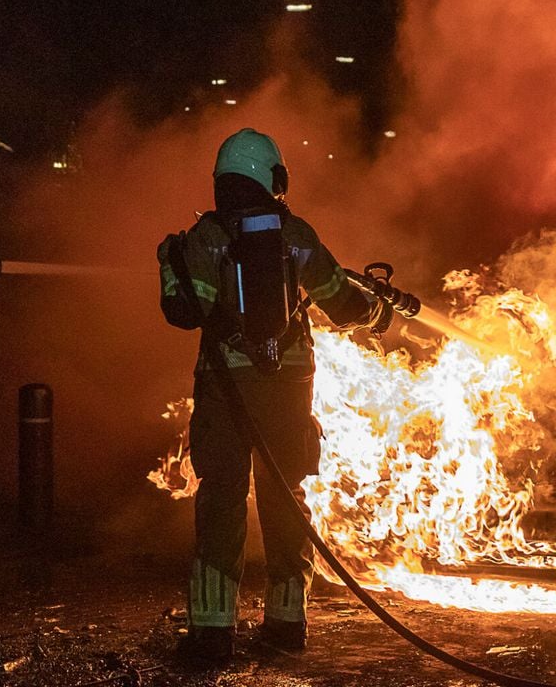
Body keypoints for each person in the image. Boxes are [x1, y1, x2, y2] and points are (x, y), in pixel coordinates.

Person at [157, 128, 388, 663]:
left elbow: (185, 312)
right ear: (272, 177)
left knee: (222, 498)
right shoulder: (296, 234)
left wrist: (171, 261)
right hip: (289, 385)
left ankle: (212, 633)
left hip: (225, 388)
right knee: (286, 500)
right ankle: (287, 624)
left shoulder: (207, 236)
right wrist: (377, 312)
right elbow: (341, 303)